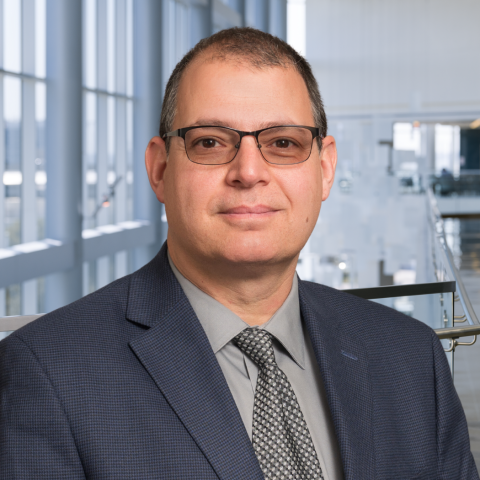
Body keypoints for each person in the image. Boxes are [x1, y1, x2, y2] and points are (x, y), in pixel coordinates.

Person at [0, 27, 478, 480]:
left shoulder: (410, 356)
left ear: (325, 168)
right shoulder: (47, 375)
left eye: (283, 143)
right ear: (160, 168)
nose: (249, 172)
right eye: (210, 142)